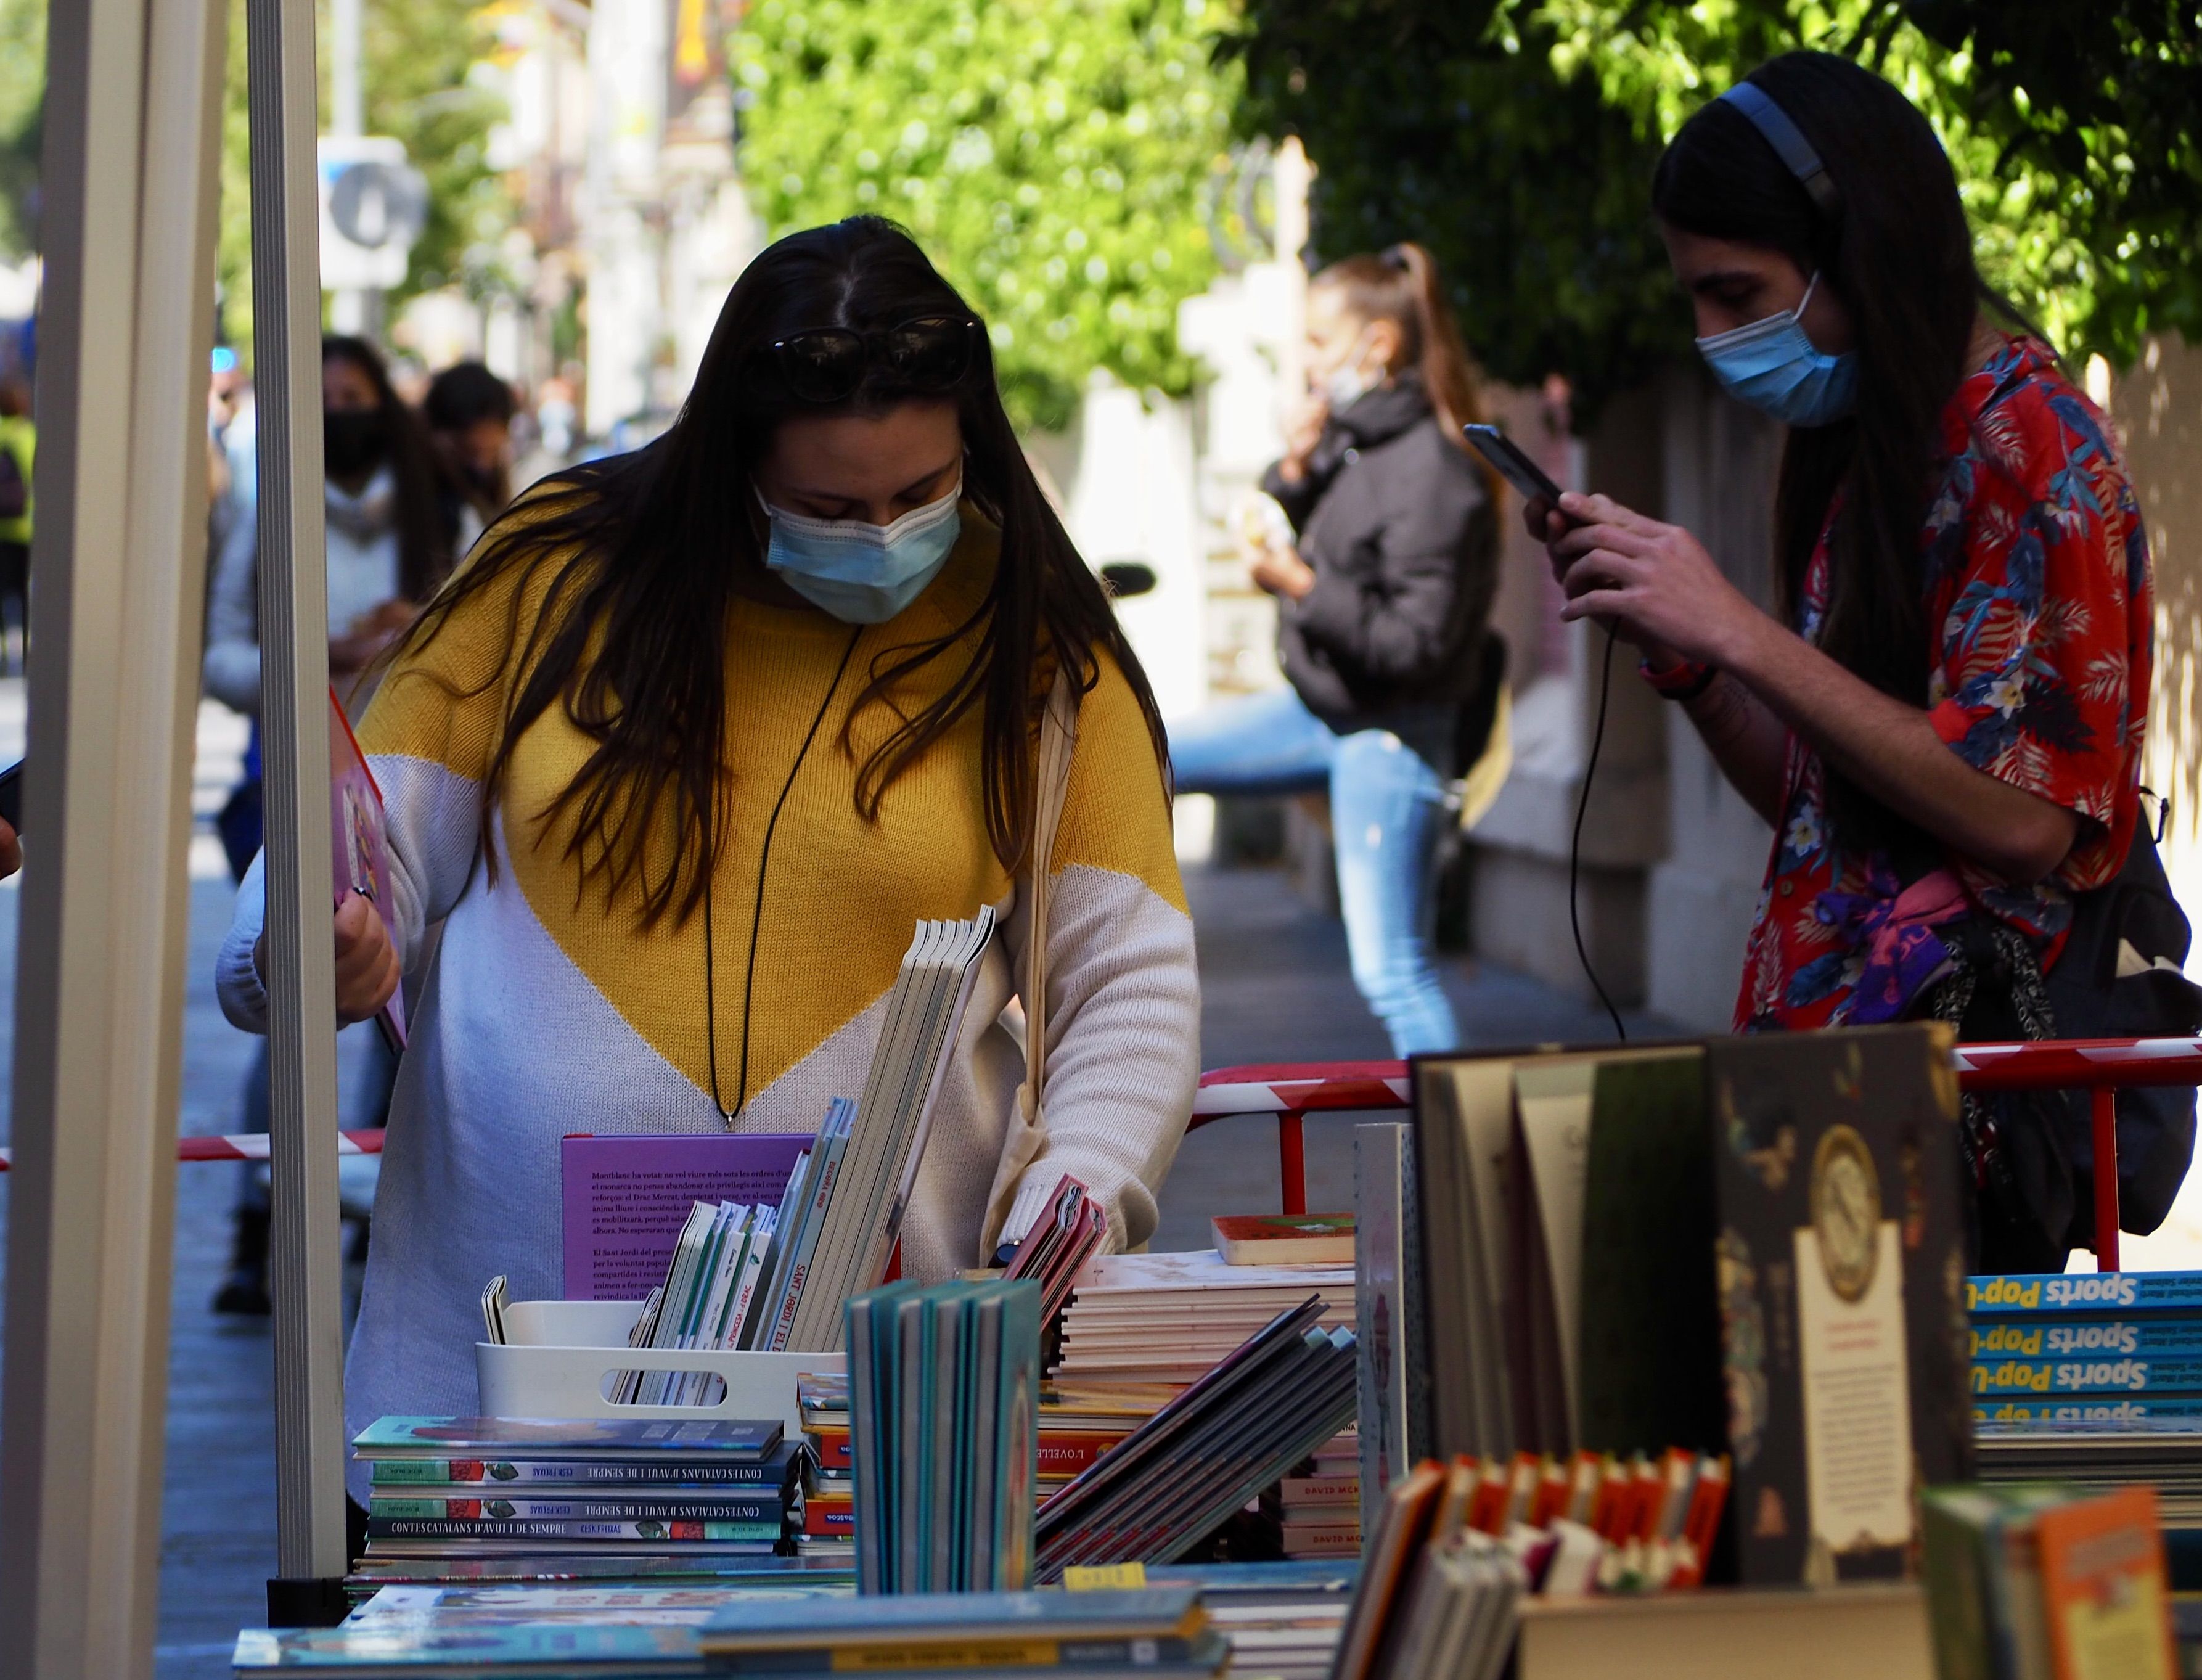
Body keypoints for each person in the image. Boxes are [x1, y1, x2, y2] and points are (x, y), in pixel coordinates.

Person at [214, 218, 1198, 1491]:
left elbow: (1128, 967)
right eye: (830, 506)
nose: (883, 534)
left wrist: (1089, 1178)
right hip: (499, 1412)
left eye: (921, 495)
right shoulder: (548, 572)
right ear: (733, 456)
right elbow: (359, 841)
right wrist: (310, 945)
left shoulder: (1038, 643)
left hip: (874, 1410)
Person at [1529, 53, 2156, 1269]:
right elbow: (1827, 808)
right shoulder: (1869, 439)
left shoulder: (2034, 449)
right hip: (1825, 1098)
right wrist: (1692, 662)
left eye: (1735, 292)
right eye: (1697, 301)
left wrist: (1740, 633)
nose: (1714, 338)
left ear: (1853, 244)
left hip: (1946, 1122)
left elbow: (2026, 822)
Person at [1168, 242, 1500, 1056]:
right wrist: (1291, 466)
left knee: (1394, 971)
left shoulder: (1438, 475)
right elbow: (1299, 519)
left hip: (1392, 733)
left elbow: (1415, 645)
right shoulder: (1353, 445)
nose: (1305, 362)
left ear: (1377, 346)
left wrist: (1299, 584)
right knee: (1146, 752)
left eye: (1317, 342)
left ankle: (1462, 1162)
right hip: (1320, 709)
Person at [203, 334, 459, 1314]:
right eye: (324, 399)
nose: (341, 413)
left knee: (405, 1013)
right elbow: (220, 656)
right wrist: (310, 662)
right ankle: (258, 1226)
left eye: (357, 395)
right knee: (294, 1002)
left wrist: (417, 638)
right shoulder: (270, 510)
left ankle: (378, 1221)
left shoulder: (443, 517)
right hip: (290, 782)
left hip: (419, 789)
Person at [423, 359, 519, 552]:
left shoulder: (494, 496)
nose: (481, 466)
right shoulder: (426, 508)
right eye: (469, 452)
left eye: (492, 451)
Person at [0, 374, 34, 668]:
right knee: (23, 596)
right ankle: (23, 655)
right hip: (24, 529)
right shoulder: (28, 435)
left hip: (0, 530)